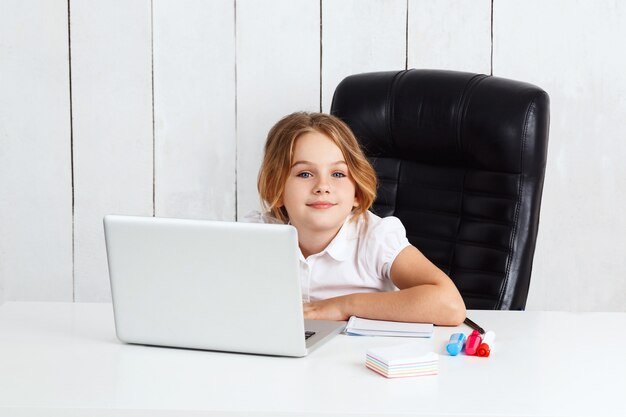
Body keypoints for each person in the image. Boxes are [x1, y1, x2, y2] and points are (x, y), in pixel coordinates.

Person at [245, 112, 466, 326]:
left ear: (357, 194)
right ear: (277, 188)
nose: (323, 186)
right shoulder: (256, 235)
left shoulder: (376, 238)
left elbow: (450, 305)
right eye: (305, 174)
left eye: (338, 174)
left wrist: (342, 306)